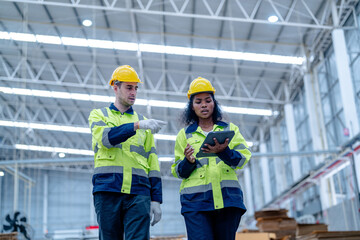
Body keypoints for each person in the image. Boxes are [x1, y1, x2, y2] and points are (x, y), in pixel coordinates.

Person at [88, 65, 166, 240]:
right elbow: (106, 138)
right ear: (115, 88)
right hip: (108, 190)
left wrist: (156, 199)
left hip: (139, 192)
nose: (133, 92)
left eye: (136, 88)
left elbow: (153, 163)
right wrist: (136, 126)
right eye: (129, 87)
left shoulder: (145, 122)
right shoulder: (99, 115)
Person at [171, 77, 251, 240]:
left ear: (214, 103)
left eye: (208, 100)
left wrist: (224, 151)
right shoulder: (184, 135)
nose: (204, 105)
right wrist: (188, 161)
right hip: (196, 203)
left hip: (228, 200)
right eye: (198, 102)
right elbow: (178, 172)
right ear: (192, 107)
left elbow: (243, 159)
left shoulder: (230, 129)